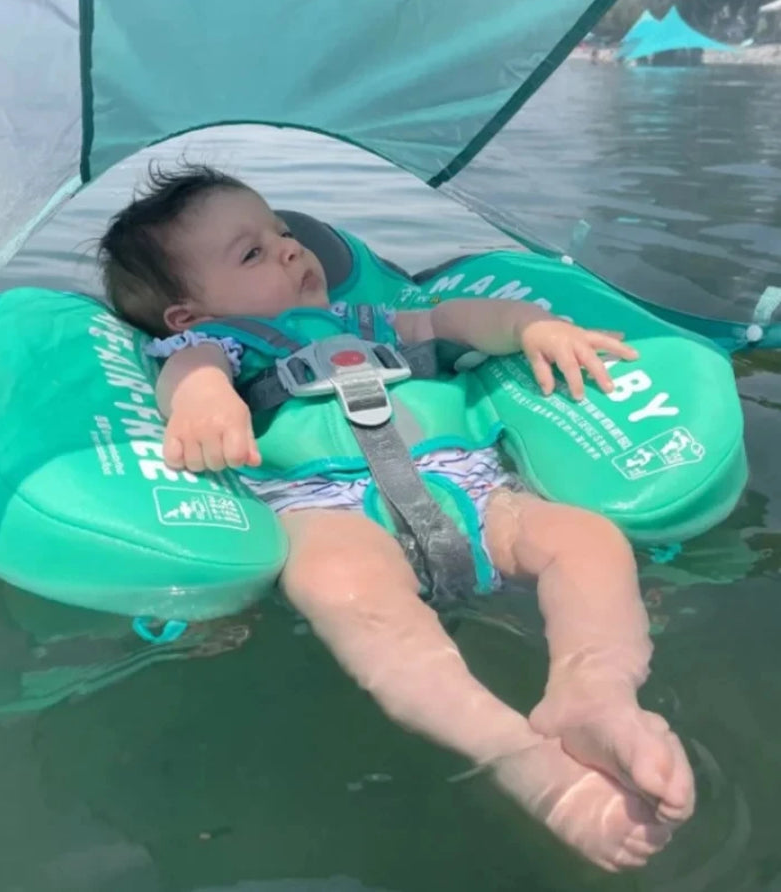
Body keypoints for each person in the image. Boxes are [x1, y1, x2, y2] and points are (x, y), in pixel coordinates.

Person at [99, 163, 695, 871]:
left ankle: (594, 693)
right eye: (252, 252)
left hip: (472, 487)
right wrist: (205, 402)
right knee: (337, 583)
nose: (290, 248)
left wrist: (530, 327)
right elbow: (186, 377)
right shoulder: (218, 347)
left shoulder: (367, 318)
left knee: (587, 540)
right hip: (331, 507)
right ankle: (513, 754)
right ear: (189, 314)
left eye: (283, 233)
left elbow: (452, 321)